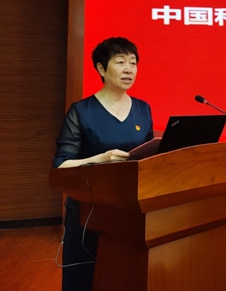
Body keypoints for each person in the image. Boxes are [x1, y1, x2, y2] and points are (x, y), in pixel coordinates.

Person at [53, 37, 153, 291]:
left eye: (133, 63)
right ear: (101, 68)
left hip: (131, 208)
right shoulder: (81, 111)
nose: (129, 69)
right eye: (120, 62)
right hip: (89, 211)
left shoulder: (143, 109)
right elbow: (61, 166)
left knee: (127, 274)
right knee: (85, 277)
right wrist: (102, 158)